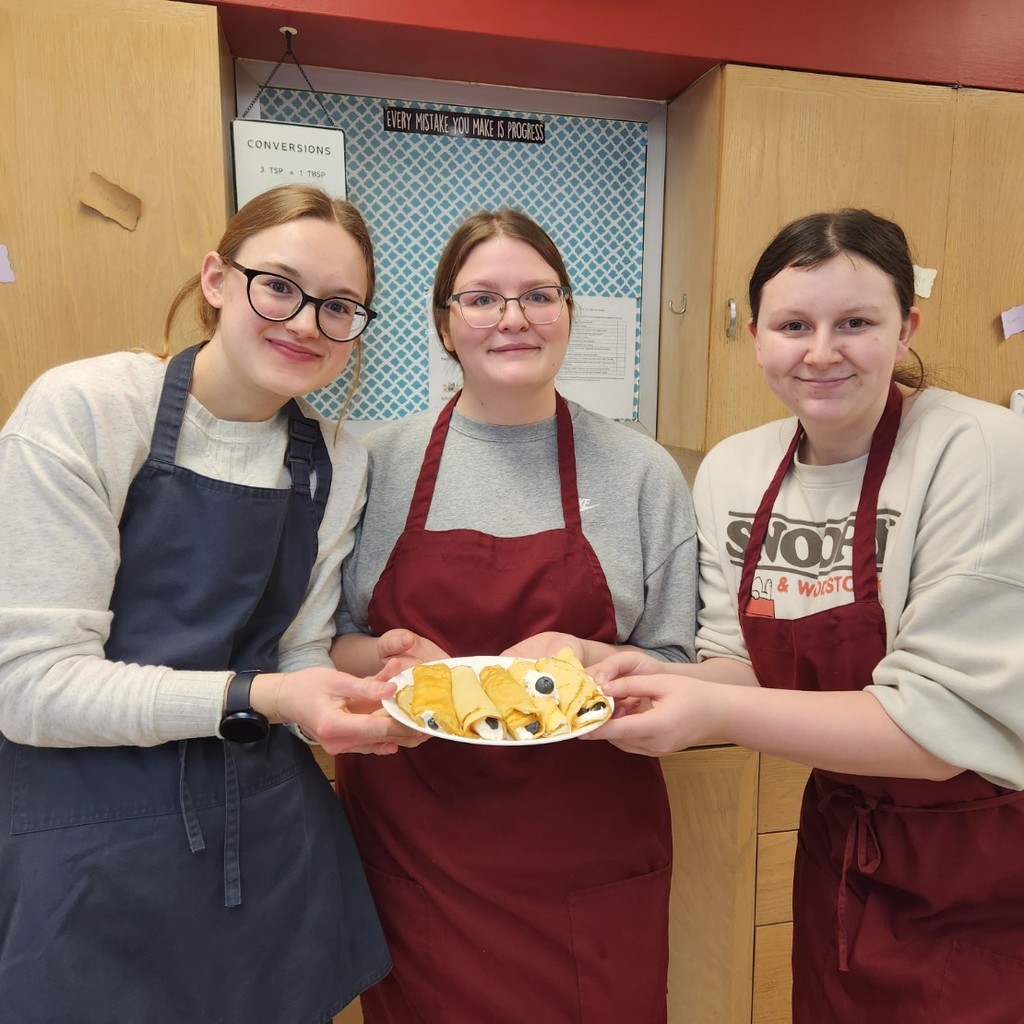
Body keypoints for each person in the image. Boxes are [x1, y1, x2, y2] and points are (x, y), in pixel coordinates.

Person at [0, 184, 423, 1024]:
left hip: (266, 847)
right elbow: (30, 687)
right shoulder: (89, 408)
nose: (306, 322)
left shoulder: (337, 458)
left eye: (339, 306)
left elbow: (298, 653)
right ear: (217, 280)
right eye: (280, 286)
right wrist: (259, 696)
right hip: (87, 847)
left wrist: (362, 692)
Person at [590, 209, 1024, 1022]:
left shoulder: (980, 451)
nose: (821, 351)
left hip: (985, 856)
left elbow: (937, 733)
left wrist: (711, 707)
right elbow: (739, 657)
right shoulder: (738, 468)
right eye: (794, 325)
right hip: (841, 846)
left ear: (906, 330)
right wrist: (645, 671)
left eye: (856, 322)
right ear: (756, 336)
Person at [330, 208, 698, 1023]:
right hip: (416, 847)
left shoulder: (642, 470)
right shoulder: (370, 462)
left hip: (588, 848)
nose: (514, 318)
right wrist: (384, 661)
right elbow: (325, 641)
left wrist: (589, 652)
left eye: (539, 295)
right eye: (483, 299)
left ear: (568, 313)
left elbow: (679, 660)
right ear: (444, 323)